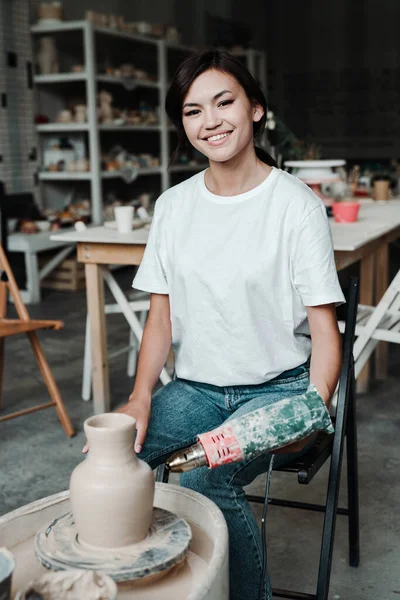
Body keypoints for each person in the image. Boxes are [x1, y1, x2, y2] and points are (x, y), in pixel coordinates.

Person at [117, 50, 344, 599]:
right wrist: (140, 398)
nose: (211, 120)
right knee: (113, 454)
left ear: (256, 109)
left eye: (225, 102)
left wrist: (311, 407)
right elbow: (161, 319)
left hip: (277, 390)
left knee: (203, 479)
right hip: (195, 389)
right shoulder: (173, 207)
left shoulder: (295, 206)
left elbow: (324, 330)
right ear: (184, 125)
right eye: (193, 111)